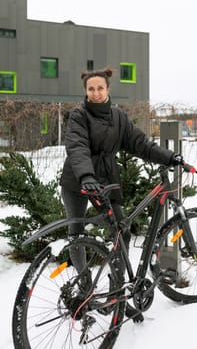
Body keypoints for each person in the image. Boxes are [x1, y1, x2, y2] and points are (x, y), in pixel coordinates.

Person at [60, 67, 180, 323]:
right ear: (86, 91)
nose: (95, 93)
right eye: (90, 89)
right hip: (77, 181)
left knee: (120, 228)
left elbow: (140, 143)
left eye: (100, 88)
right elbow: (77, 146)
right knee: (76, 234)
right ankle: (85, 289)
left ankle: (118, 291)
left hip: (106, 181)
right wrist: (86, 176)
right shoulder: (78, 116)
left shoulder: (119, 117)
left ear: (108, 89)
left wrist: (168, 156)